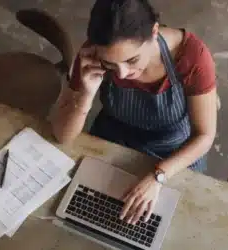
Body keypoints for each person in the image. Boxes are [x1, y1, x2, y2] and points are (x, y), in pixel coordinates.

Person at [50, 0, 217, 225]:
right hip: (113, 139)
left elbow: (204, 136)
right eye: (110, 64)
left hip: (172, 152)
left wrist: (158, 176)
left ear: (154, 32)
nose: (122, 73)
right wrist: (85, 95)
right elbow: (62, 135)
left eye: (132, 60)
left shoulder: (191, 56)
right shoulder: (91, 55)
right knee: (83, 215)